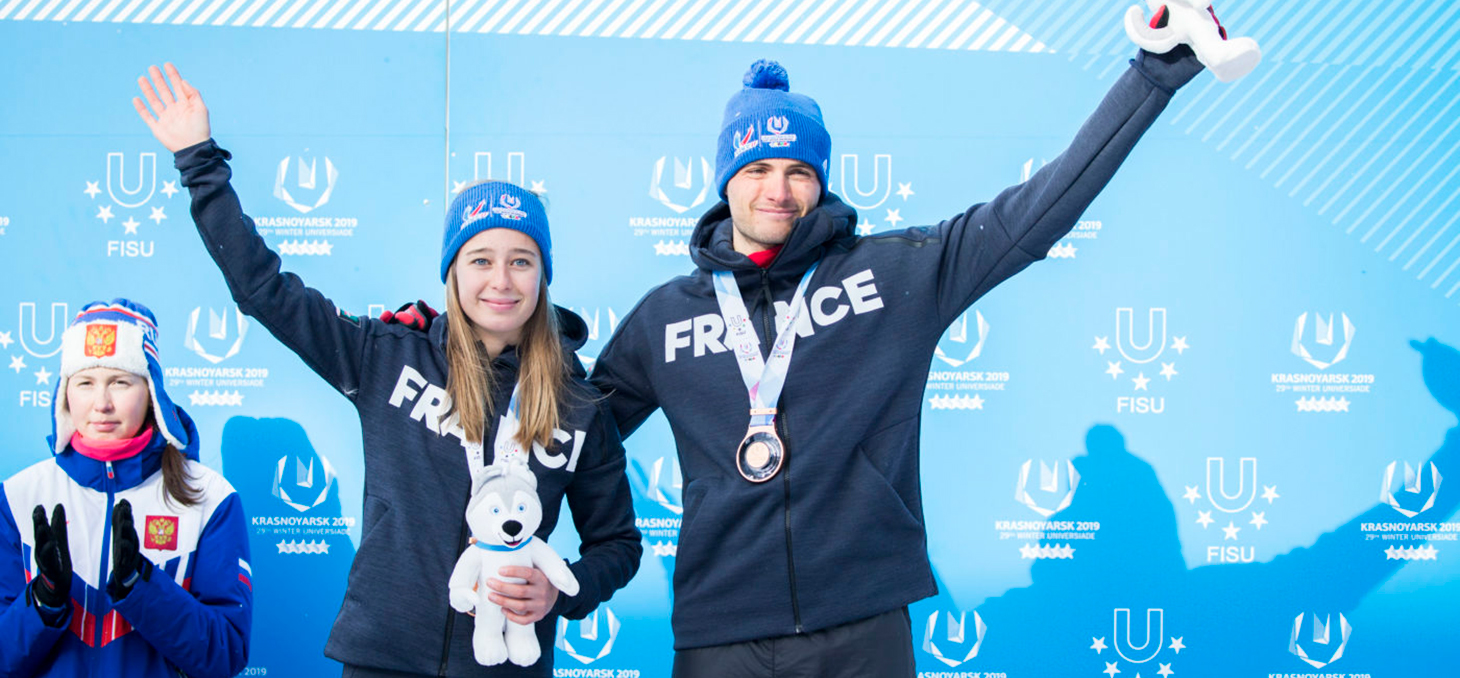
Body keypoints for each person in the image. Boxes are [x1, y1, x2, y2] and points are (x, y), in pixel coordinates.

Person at [586, 32, 1222, 678]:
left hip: (863, 630)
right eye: (757, 169)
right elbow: (564, 437)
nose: (778, 190)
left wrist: (1153, 77)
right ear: (727, 180)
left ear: (819, 180)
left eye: (798, 171)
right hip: (718, 638)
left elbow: (1039, 211)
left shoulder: (894, 276)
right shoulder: (665, 318)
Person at [132, 64, 642, 677]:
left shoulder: (578, 406)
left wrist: (566, 590)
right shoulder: (385, 356)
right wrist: (200, 164)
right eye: (480, 259)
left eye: (521, 261)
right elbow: (264, 290)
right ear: (452, 273)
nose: (500, 281)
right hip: (383, 659)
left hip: (507, 663)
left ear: (543, 275)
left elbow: (618, 544)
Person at [0, 299, 253, 677]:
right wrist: (44, 599)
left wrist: (142, 587)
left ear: (151, 391)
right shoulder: (18, 497)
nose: (101, 404)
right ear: (65, 393)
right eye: (85, 383)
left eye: (120, 382)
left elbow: (225, 654)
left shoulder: (209, 498)